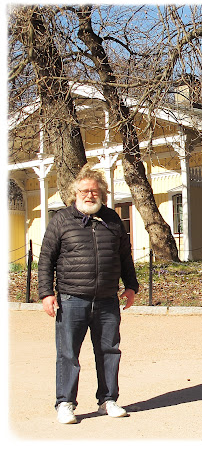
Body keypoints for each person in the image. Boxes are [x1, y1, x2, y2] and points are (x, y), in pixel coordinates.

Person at [38, 165, 139, 424]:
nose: (89, 195)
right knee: (68, 353)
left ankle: (107, 400)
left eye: (94, 191)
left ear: (102, 193)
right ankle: (65, 403)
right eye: (84, 190)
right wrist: (46, 293)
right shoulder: (61, 219)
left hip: (107, 299)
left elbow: (124, 256)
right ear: (75, 193)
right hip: (72, 299)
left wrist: (131, 286)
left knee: (109, 351)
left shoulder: (113, 219)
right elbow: (46, 259)